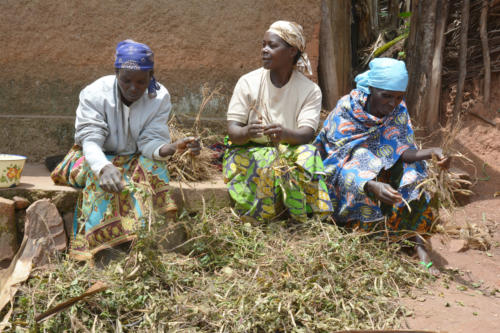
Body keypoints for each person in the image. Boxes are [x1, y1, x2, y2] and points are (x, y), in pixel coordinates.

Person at [51, 40, 200, 260]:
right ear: (116, 73)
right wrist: (103, 167)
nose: (133, 88)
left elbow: (150, 142)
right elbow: (90, 141)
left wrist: (170, 148)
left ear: (151, 76)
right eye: (126, 80)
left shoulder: (158, 97)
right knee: (100, 178)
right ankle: (100, 250)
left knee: (154, 167)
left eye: (141, 82)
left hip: (133, 159)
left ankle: (151, 240)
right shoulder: (95, 94)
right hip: (90, 157)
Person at [314, 58, 449, 274]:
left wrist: (432, 152)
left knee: (417, 172)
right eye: (386, 96)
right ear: (371, 89)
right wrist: (370, 185)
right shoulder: (347, 108)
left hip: (385, 162)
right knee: (360, 165)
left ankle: (416, 244)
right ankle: (370, 235)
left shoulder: (398, 110)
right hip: (347, 169)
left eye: (398, 97)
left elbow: (402, 149)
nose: (392, 103)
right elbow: (335, 159)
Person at [223, 21, 333, 222]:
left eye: (272, 46)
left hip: (288, 149)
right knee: (268, 161)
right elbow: (233, 133)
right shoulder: (248, 82)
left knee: (309, 154)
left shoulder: (309, 90)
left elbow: (306, 134)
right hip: (247, 150)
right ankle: (260, 218)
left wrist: (285, 134)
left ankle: (312, 219)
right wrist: (247, 131)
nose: (264, 50)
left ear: (292, 51)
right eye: (263, 44)